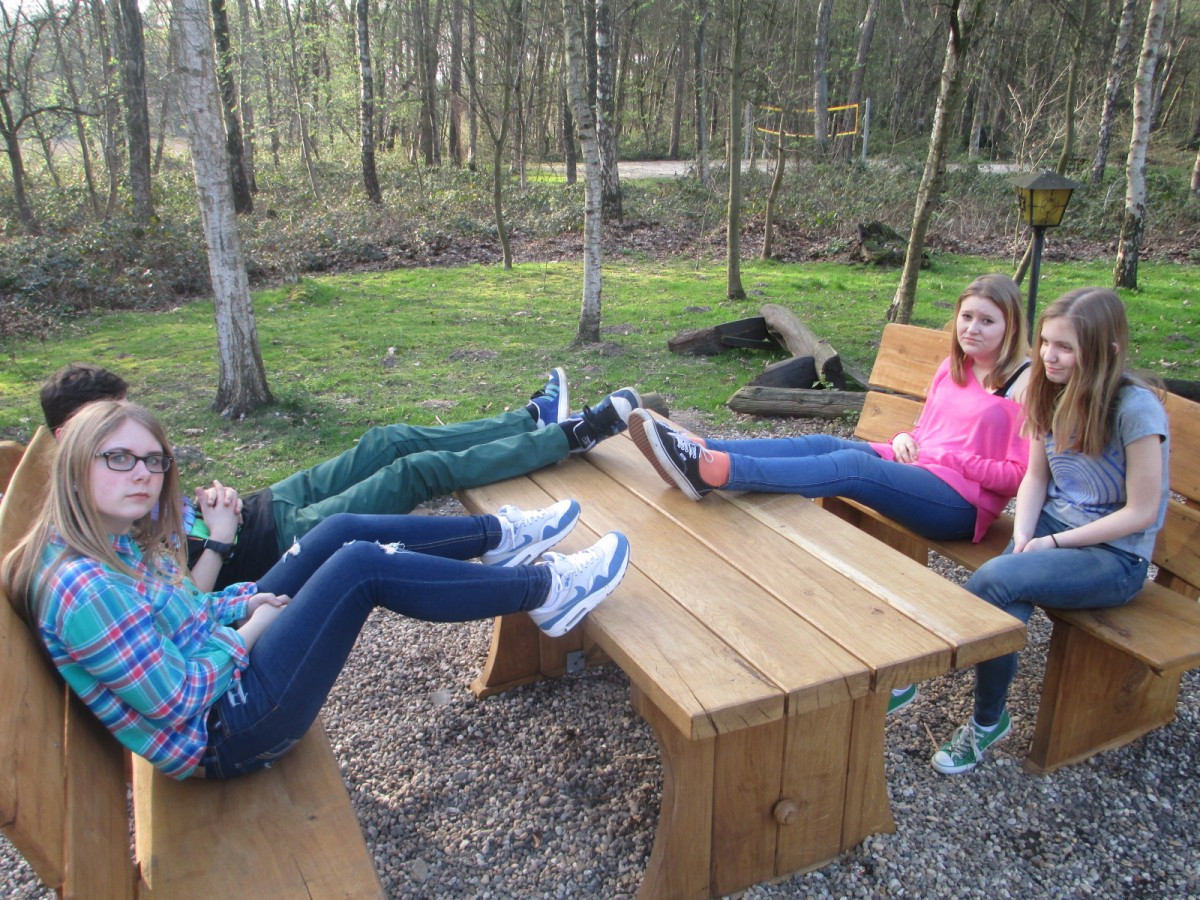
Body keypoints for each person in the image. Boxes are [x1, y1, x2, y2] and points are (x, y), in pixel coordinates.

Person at [1, 400, 632, 781]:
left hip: (217, 667)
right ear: (75, 468)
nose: (143, 475)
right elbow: (178, 699)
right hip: (228, 729)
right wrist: (251, 629)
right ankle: (546, 589)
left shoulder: (108, 541)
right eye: (119, 459)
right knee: (360, 567)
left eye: (153, 460)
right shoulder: (83, 586)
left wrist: (241, 603)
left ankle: (497, 537)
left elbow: (185, 613)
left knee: (339, 531)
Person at [39, 363, 640, 590]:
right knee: (414, 472)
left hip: (257, 508)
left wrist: (209, 506)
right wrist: (218, 538)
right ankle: (570, 436)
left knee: (387, 440)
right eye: (112, 421)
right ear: (71, 437)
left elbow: (173, 528)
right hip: (268, 545)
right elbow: (183, 604)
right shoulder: (88, 524)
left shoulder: (106, 476)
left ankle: (530, 418)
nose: (129, 432)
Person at [930, 288, 1169, 775]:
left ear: (1107, 351)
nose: (1048, 356)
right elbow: (1036, 477)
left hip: (1113, 556)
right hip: (1048, 528)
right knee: (1004, 597)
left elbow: (1142, 512)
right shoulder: (1048, 388)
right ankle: (988, 719)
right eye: (1044, 342)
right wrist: (1023, 536)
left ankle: (923, 672)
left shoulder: (1136, 409)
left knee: (995, 581)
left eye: (1064, 347)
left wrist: (1053, 542)